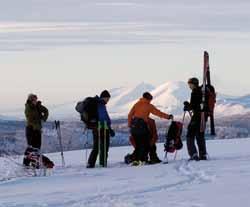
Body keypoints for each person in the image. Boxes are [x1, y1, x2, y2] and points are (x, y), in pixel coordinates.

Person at [128, 92, 173, 165]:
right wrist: (168, 117)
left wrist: (130, 124)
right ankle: (143, 159)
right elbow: (158, 113)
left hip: (134, 127)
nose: (150, 101)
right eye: (150, 99)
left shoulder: (137, 104)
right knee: (147, 144)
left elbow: (130, 114)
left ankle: (136, 160)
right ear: (148, 99)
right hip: (142, 127)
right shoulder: (148, 106)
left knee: (139, 145)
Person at [87, 90, 115, 168]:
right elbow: (103, 118)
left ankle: (90, 163)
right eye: (108, 99)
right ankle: (103, 163)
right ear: (105, 97)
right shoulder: (100, 104)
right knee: (104, 147)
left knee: (96, 146)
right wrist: (109, 128)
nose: (108, 100)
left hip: (95, 128)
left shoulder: (97, 103)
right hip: (102, 127)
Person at [184, 78, 207, 161]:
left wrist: (187, 106)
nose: (189, 86)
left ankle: (193, 154)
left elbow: (194, 105)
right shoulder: (202, 91)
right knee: (200, 136)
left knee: (190, 135)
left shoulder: (195, 92)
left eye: (190, 84)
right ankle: (203, 154)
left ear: (193, 84)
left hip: (197, 116)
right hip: (203, 116)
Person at [23, 94, 49, 166]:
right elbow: (30, 119)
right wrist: (38, 122)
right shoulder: (28, 108)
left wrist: (43, 119)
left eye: (36, 99)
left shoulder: (38, 106)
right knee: (31, 147)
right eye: (34, 100)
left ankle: (35, 164)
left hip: (37, 129)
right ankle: (26, 164)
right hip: (30, 129)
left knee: (37, 147)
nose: (35, 101)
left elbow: (46, 111)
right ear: (31, 100)